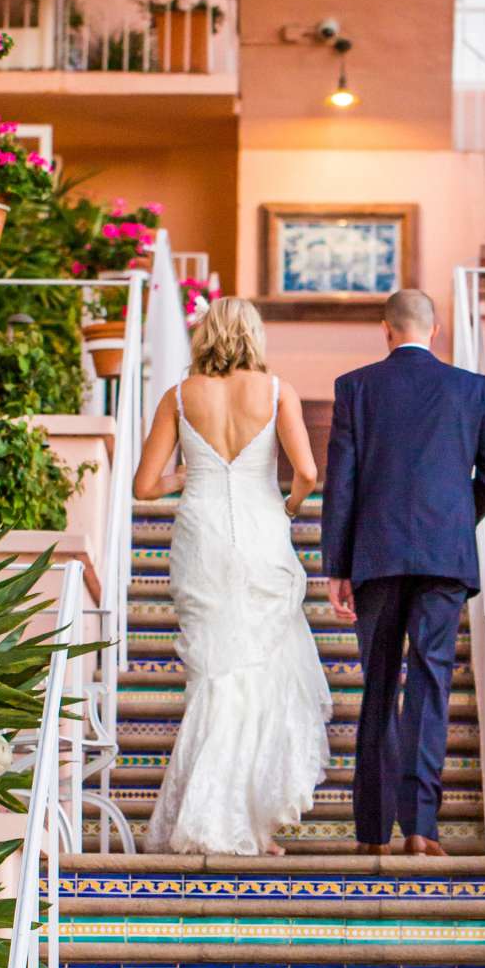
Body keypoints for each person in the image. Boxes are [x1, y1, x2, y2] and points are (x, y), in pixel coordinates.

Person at [133, 296, 330, 857]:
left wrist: (192, 475)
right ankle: (247, 821)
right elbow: (309, 472)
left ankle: (219, 817)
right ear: (254, 336)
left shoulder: (178, 396)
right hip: (262, 532)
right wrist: (289, 504)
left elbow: (146, 486)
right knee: (258, 672)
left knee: (215, 672)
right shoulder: (276, 391)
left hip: (202, 536)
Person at [321, 287, 485, 856]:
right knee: (431, 684)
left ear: (385, 329)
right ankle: (422, 829)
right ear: (436, 331)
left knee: (379, 685)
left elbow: (343, 483)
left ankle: (373, 832)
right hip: (443, 560)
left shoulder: (355, 388)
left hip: (375, 558)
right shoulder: (471, 389)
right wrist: (457, 518)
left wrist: (337, 564)